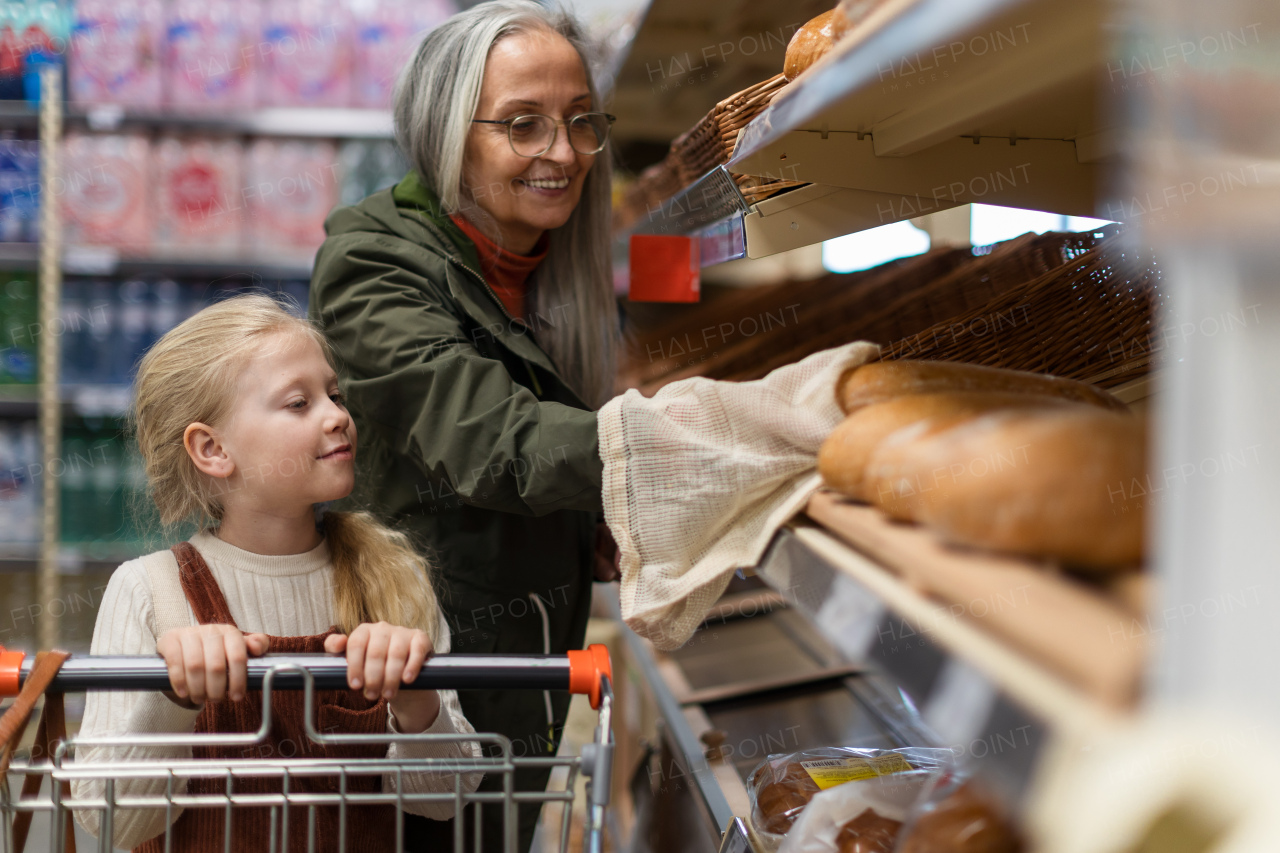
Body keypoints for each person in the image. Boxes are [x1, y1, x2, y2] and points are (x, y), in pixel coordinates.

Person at [309, 1, 621, 849]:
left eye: (580, 122)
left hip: (519, 668)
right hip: (413, 677)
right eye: (522, 125)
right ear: (449, 132)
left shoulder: (552, 262)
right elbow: (494, 441)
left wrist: (593, 522)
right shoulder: (373, 262)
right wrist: (686, 446)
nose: (562, 153)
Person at [72, 294, 481, 852]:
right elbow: (108, 818)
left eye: (334, 395)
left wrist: (415, 703)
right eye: (298, 403)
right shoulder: (151, 592)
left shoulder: (394, 576)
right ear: (213, 449)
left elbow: (443, 799)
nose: (337, 414)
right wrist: (171, 695)